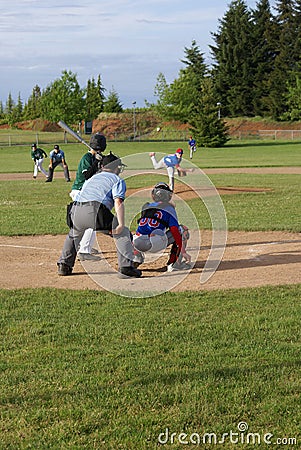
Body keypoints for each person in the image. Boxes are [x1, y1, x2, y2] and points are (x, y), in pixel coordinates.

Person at [57, 152, 141, 278]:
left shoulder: (91, 178)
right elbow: (118, 201)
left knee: (74, 234)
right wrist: (121, 224)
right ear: (115, 167)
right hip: (95, 210)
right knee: (123, 233)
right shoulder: (117, 180)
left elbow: (79, 196)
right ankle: (125, 267)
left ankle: (64, 265)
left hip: (75, 209)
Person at [132, 182, 191, 272]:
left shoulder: (146, 206)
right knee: (182, 230)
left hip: (137, 243)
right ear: (167, 196)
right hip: (154, 244)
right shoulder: (169, 209)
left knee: (138, 234)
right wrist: (183, 251)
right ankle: (174, 264)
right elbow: (175, 231)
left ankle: (136, 258)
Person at [69, 132, 107, 261]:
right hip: (80, 192)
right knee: (92, 220)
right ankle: (84, 250)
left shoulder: (96, 157)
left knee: (91, 220)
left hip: (87, 193)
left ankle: (84, 246)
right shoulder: (87, 157)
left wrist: (101, 161)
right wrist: (96, 161)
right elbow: (87, 176)